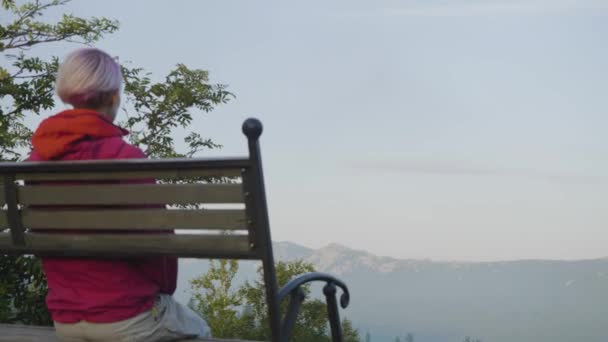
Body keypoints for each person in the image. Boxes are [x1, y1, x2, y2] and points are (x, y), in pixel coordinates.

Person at [27, 48, 211, 342]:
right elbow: (160, 249)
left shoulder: (36, 163)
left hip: (65, 319)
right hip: (128, 317)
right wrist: (159, 291)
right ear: (113, 96)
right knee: (200, 330)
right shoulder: (125, 158)